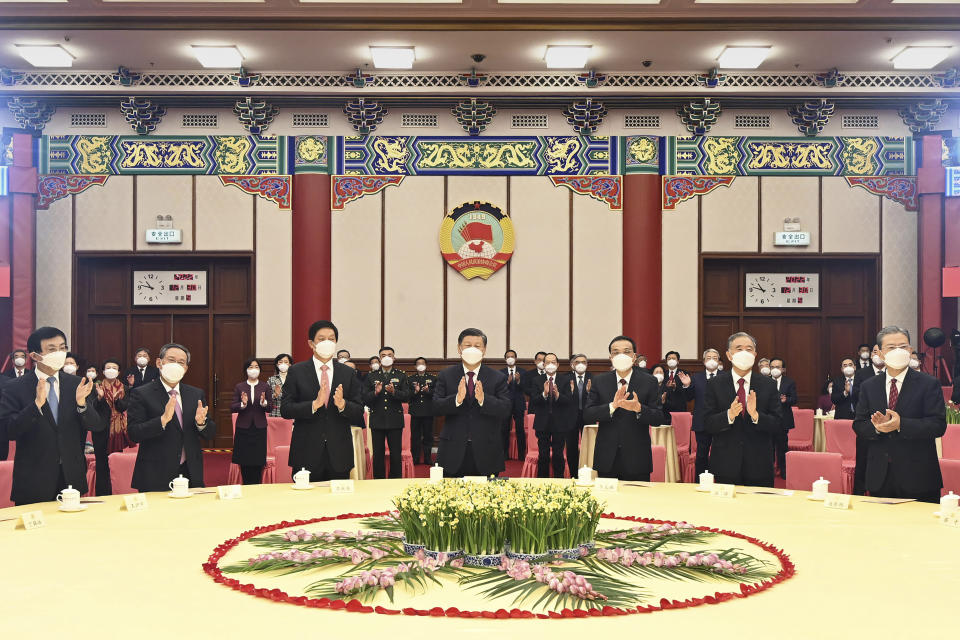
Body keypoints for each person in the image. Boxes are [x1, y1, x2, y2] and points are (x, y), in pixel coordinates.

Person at [0, 327, 102, 505]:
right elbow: (9, 431)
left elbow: (96, 425)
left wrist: (81, 404)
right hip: (33, 478)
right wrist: (36, 406)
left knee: (71, 531)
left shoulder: (77, 384)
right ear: (34, 355)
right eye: (52, 349)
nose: (60, 354)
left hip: (71, 476)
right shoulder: (14, 387)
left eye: (63, 348)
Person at [853, 326, 946, 503]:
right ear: (879, 353)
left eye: (903, 347)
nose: (898, 351)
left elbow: (938, 425)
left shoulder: (929, 384)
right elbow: (859, 425)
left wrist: (901, 424)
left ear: (910, 350)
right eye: (891, 347)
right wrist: (878, 428)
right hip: (880, 475)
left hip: (919, 476)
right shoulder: (869, 386)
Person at [281, 321, 364, 480]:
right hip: (306, 452)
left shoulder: (348, 373)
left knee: (338, 503)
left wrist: (343, 405)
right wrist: (314, 405)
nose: (327, 343)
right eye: (321, 339)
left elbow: (359, 411)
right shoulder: (296, 372)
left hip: (339, 453)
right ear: (311, 343)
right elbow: (286, 409)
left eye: (331, 339)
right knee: (306, 503)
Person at [127, 343, 216, 492]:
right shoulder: (141, 394)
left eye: (181, 362)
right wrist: (161, 421)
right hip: (155, 473)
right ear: (159, 363)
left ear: (186, 368)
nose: (176, 365)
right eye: (171, 360)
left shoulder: (195, 394)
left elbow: (210, 433)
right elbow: (134, 433)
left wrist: (201, 423)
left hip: (190, 471)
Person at [703, 332, 782, 487]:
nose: (744, 353)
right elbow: (707, 423)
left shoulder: (768, 385)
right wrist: (729, 415)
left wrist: (756, 415)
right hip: (725, 465)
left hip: (759, 465)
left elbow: (778, 424)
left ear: (755, 354)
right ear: (729, 355)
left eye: (749, 349)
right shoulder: (715, 384)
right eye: (739, 349)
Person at [583, 335, 666, 481]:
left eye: (626, 351)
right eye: (616, 352)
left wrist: (639, 408)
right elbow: (588, 414)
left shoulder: (649, 381)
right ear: (610, 357)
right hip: (606, 457)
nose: (621, 355)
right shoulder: (599, 381)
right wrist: (612, 406)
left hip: (637, 458)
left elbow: (658, 418)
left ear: (634, 357)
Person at [432, 328, 511, 477]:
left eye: (477, 345)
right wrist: (457, 399)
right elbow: (436, 407)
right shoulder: (446, 375)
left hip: (486, 451)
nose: (472, 349)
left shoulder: (497, 377)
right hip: (452, 450)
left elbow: (505, 409)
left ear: (484, 350)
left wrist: (483, 400)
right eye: (468, 345)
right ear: (459, 348)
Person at [363, 346, 411, 479]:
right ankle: (379, 481)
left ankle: (395, 481)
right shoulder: (371, 376)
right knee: (378, 454)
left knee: (396, 454)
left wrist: (394, 392)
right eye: (383, 355)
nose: (387, 357)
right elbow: (364, 398)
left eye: (390, 355)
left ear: (394, 358)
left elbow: (407, 396)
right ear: (379, 359)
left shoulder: (401, 375)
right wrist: (375, 393)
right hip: (377, 419)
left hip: (395, 420)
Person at [529, 353, 573, 478]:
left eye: (553, 362)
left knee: (558, 454)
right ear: (543, 365)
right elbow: (534, 401)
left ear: (558, 364)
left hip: (560, 423)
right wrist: (544, 393)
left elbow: (569, 401)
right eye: (547, 362)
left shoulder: (564, 380)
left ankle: (559, 480)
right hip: (542, 423)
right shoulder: (536, 380)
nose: (550, 365)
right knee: (543, 454)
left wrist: (558, 395)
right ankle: (542, 481)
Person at [91, 359, 131, 495]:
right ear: (102, 371)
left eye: (114, 367)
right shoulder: (95, 387)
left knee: (115, 462)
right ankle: (102, 493)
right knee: (102, 464)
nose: (111, 370)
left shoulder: (124, 388)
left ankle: (116, 492)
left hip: (117, 430)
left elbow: (124, 407)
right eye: (108, 367)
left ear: (119, 372)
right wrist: (100, 398)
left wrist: (117, 400)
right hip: (101, 429)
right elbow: (91, 408)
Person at [230, 358, 273, 485]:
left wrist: (263, 402)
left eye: (256, 366)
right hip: (243, 427)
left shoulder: (265, 386)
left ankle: (257, 485)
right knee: (244, 460)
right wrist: (242, 404)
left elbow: (270, 406)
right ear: (246, 370)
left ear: (260, 369)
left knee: (258, 460)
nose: (253, 369)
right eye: (250, 367)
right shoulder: (240, 386)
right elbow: (233, 407)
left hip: (259, 427)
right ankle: (246, 485)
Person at [851, 343, 884, 494]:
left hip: (889, 425)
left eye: (880, 351)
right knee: (862, 463)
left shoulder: (892, 373)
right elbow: (856, 394)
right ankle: (859, 493)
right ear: (871, 355)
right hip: (867, 424)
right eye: (875, 352)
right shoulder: (862, 374)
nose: (877, 354)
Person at [690, 348, 722, 476]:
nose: (712, 360)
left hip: (720, 422)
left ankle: (720, 480)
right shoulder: (696, 378)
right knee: (701, 455)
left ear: (719, 361)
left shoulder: (726, 377)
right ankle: (699, 482)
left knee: (720, 454)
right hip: (701, 422)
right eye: (709, 358)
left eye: (715, 358)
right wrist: (687, 386)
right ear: (703, 361)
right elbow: (688, 397)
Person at [561, 353, 592, 476]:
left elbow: (597, 399)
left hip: (588, 417)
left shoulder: (593, 378)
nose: (580, 364)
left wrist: (590, 392)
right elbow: (562, 399)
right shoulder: (565, 379)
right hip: (570, 417)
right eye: (577, 362)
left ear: (587, 365)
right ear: (572, 365)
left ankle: (589, 473)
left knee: (589, 447)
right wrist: (571, 392)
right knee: (571, 447)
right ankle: (574, 475)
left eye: (583, 362)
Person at [769, 357, 797, 480]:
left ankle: (784, 471)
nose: (775, 369)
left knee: (782, 447)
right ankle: (769, 471)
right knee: (768, 447)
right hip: (768, 420)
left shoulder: (789, 382)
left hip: (783, 420)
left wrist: (787, 400)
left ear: (783, 369)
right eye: (772, 367)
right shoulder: (764, 381)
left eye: (778, 367)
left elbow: (795, 399)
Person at [499, 349, 527, 461]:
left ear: (516, 358)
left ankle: (521, 455)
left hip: (519, 404)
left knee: (520, 430)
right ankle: (504, 454)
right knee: (504, 429)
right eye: (508, 356)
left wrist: (519, 381)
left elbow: (525, 389)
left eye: (512, 356)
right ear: (505, 359)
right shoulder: (500, 373)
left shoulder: (523, 372)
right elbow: (499, 389)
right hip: (506, 404)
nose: (510, 358)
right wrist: (507, 382)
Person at [408, 357, 436, 465]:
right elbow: (406, 395)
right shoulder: (410, 379)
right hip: (415, 412)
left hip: (428, 411)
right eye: (418, 364)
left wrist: (428, 391)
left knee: (428, 436)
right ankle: (415, 458)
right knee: (415, 436)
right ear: (415, 366)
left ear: (426, 365)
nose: (420, 365)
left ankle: (427, 458)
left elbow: (437, 393)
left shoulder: (432, 378)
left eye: (422, 363)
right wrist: (415, 392)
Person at [267, 353, 292, 418]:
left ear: (290, 364)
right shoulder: (271, 379)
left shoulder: (294, 378)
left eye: (286, 362)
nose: (283, 364)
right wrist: (275, 395)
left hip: (291, 413)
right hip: (276, 414)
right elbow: (266, 399)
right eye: (280, 362)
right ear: (277, 365)